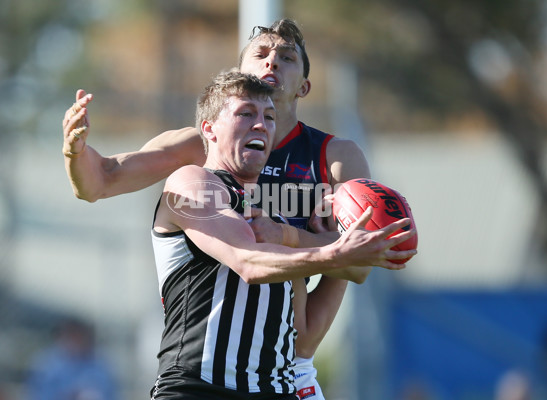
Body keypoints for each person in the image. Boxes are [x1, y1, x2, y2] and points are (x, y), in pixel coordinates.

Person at [62, 19, 414, 398]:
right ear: (238, 73)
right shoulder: (195, 156)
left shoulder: (332, 155)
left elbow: (359, 261)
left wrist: (289, 235)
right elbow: (100, 181)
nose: (272, 64)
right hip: (205, 373)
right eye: (260, 55)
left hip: (286, 369)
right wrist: (74, 152)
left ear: (305, 87)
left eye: (286, 57)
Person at [146, 70, 414, 399]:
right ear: (209, 129)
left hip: (275, 391)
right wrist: (336, 253)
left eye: (269, 117)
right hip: (197, 389)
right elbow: (248, 263)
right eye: (245, 113)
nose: (261, 124)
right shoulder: (191, 183)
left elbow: (304, 337)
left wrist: (341, 240)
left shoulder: (277, 223)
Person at [26, 318, 119, 400]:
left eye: (81, 335)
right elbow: (39, 394)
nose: (77, 340)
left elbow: (110, 394)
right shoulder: (48, 364)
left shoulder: (100, 365)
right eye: (73, 335)